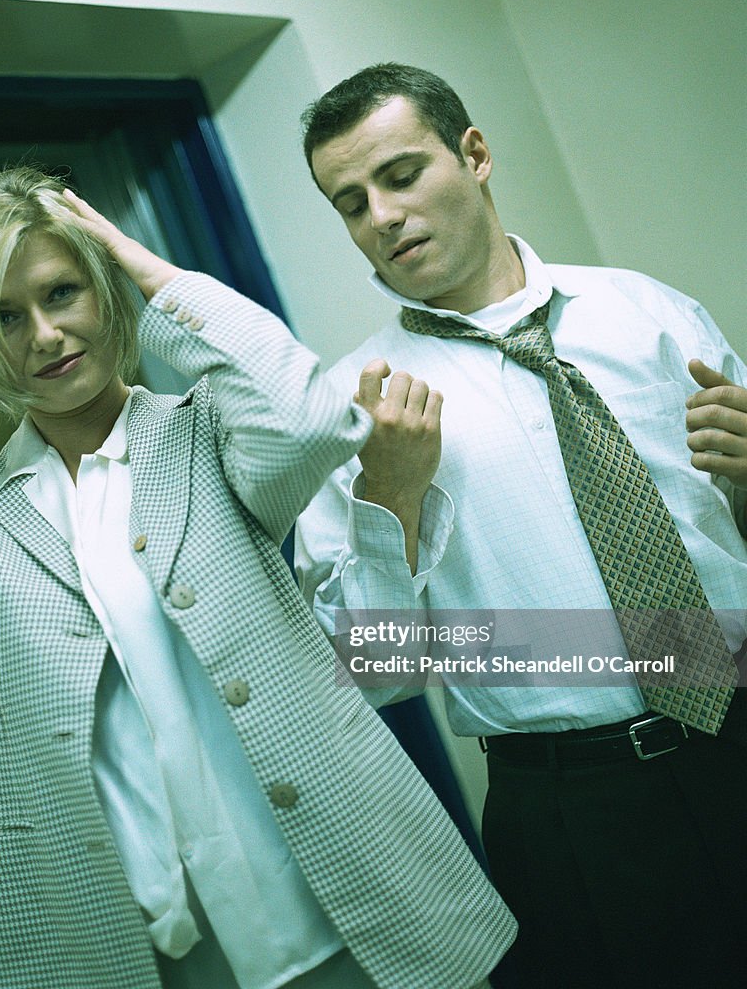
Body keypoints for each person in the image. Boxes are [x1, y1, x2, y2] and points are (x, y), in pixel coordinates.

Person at [0, 167, 514, 989]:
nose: (44, 335)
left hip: (358, 914)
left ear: (108, 291)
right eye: (2, 317)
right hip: (149, 955)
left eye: (63, 293)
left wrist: (148, 272)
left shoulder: (212, 438)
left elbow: (310, 420)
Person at [294, 64, 747, 989]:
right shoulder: (350, 412)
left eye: (401, 174)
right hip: (574, 812)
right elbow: (373, 675)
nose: (380, 215)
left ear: (476, 154)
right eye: (350, 201)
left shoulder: (648, 314)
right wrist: (389, 498)